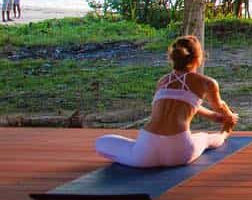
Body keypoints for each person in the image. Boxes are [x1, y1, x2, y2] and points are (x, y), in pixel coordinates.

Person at [93, 35, 238, 168]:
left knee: (102, 142)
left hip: (145, 153)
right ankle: (225, 133)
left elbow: (185, 102)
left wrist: (212, 116)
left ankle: (133, 154)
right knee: (205, 138)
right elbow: (219, 106)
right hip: (180, 153)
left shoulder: (163, 81)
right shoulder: (207, 83)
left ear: (173, 57)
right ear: (198, 59)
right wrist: (229, 118)